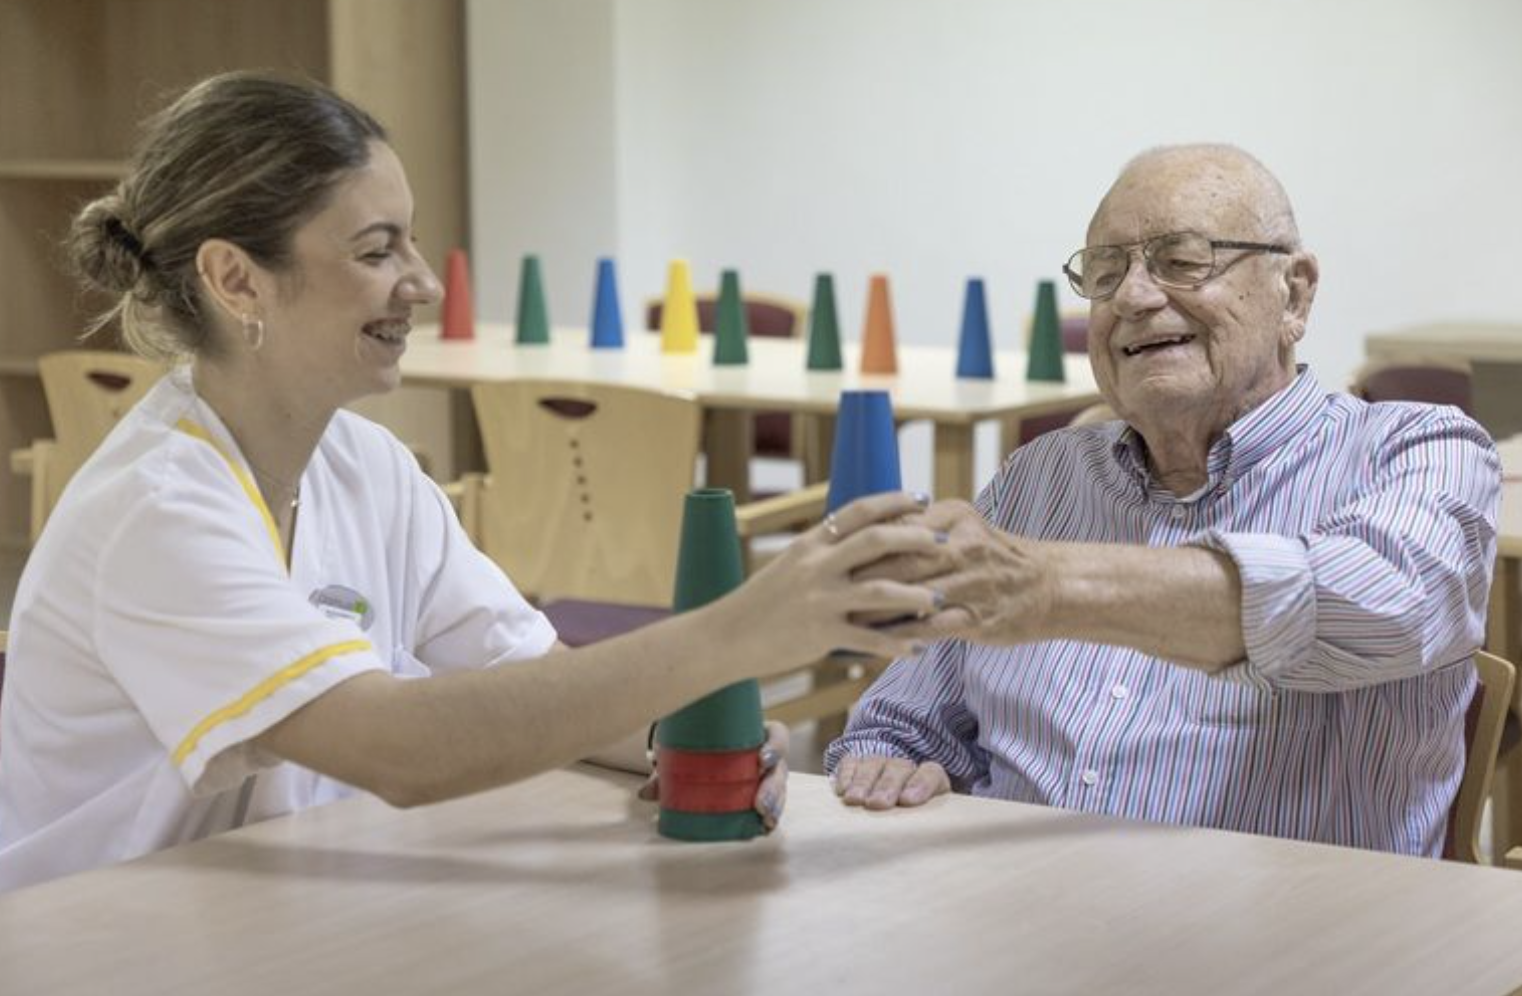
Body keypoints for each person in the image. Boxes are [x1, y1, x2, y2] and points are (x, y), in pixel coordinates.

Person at [0, 72, 958, 891]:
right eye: (377, 251)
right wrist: (744, 630)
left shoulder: (363, 466)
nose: (420, 280)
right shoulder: (159, 509)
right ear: (236, 280)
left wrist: (680, 739)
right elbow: (400, 751)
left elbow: (525, 680)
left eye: (411, 241)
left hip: (268, 911)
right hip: (99, 946)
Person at [827, 144, 1501, 858]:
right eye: (1105, 272)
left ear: (1295, 294)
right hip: (1014, 922)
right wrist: (894, 769)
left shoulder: (1419, 450)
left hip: (1287, 945)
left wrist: (1051, 587)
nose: (1133, 298)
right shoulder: (1039, 476)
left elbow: (1380, 604)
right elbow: (900, 724)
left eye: (1182, 261)